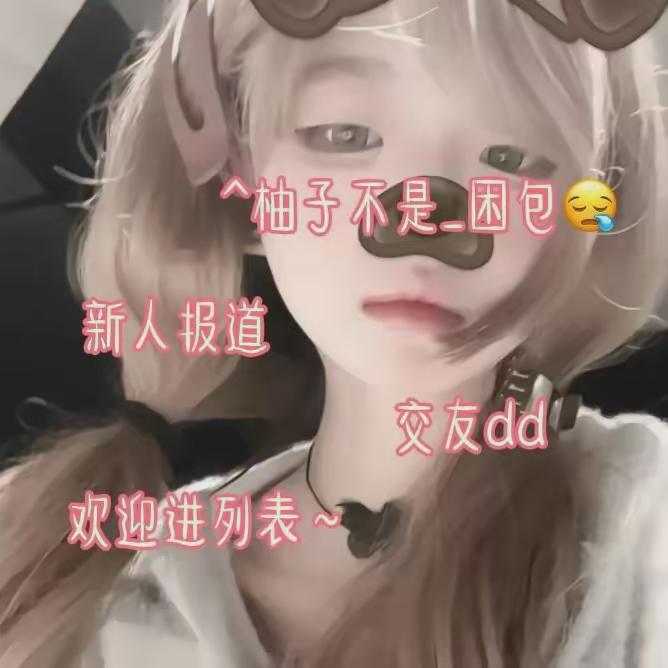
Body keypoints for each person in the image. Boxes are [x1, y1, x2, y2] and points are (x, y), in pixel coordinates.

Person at [1, 0, 667, 666]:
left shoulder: (644, 527)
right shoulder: (107, 598)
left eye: (513, 156)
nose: (422, 222)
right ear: (239, 165)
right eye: (345, 134)